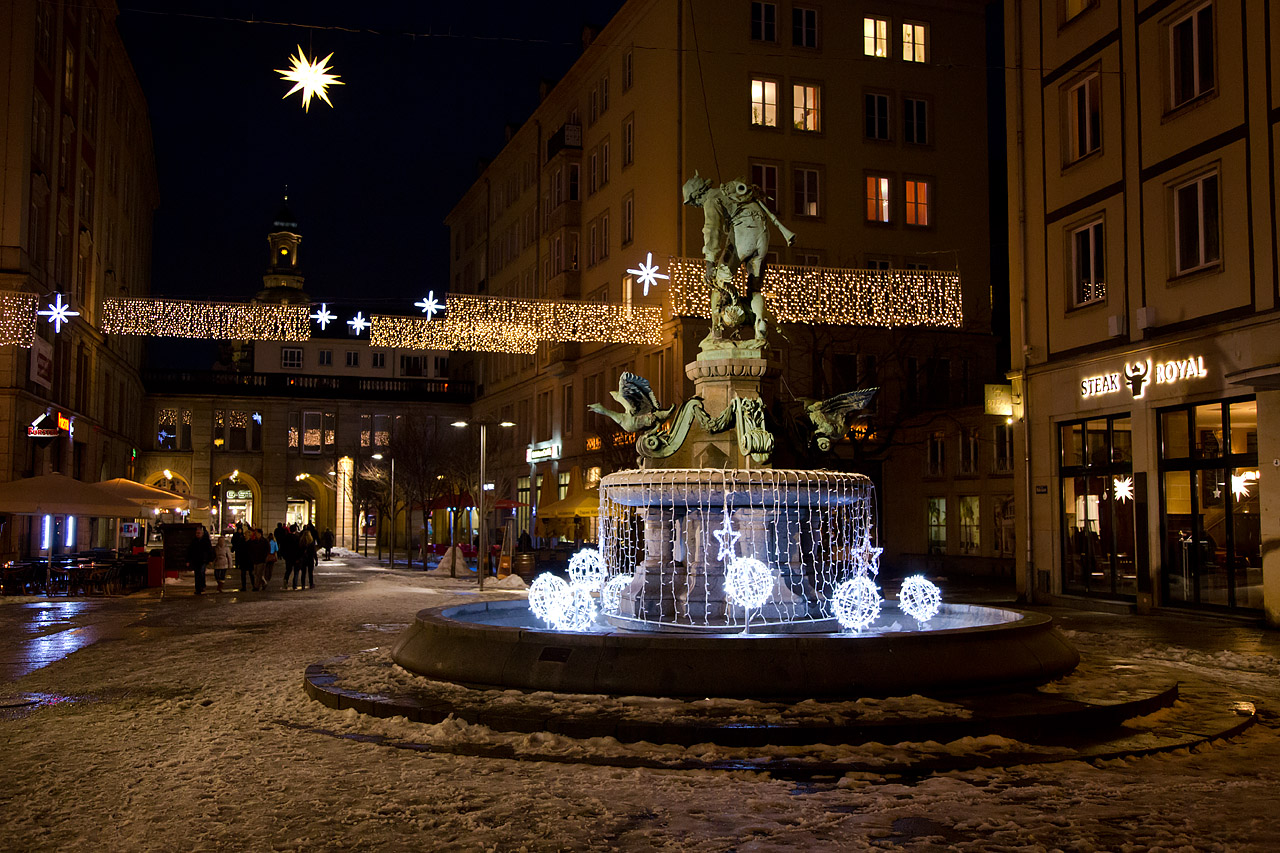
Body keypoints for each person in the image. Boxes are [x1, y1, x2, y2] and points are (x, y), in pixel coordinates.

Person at [186, 525, 214, 595]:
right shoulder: (194, 541)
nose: (197, 534)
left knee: (201, 573)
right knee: (197, 574)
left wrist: (210, 559)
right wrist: (188, 560)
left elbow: (210, 550)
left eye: (199, 533)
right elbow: (190, 551)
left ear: (202, 533)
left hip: (203, 560)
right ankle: (198, 588)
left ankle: (202, 586)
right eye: (197, 533)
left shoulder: (205, 541)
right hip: (196, 560)